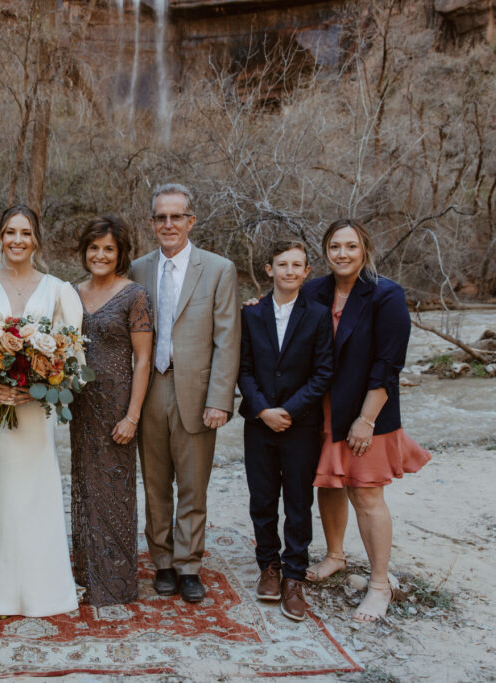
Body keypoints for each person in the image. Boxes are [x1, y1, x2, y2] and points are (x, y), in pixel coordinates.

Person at [300, 219, 431, 622]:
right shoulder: (313, 290)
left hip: (367, 411)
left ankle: (379, 585)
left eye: (350, 247)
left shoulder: (385, 295)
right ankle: (335, 556)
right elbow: (286, 319)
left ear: (364, 250)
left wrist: (366, 420)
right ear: (325, 251)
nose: (342, 254)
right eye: (335, 246)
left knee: (366, 494)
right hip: (321, 406)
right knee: (330, 482)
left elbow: (388, 364)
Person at [0, 205, 82, 617]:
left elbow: (73, 360)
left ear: (36, 240)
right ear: (1, 238)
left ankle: (43, 590)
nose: (17, 240)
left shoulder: (58, 290)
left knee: (34, 493)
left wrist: (38, 390)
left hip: (35, 409)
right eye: (10, 232)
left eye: (25, 233)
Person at [129, 183, 240, 603]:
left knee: (193, 484)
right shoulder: (137, 269)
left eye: (177, 216)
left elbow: (228, 338)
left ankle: (189, 564)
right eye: (161, 217)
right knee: (156, 482)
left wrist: (220, 399)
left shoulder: (218, 269)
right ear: (153, 222)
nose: (169, 224)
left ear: (191, 220)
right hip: (151, 386)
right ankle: (162, 561)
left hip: (196, 390)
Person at [237, 240, 333, 621]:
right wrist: (262, 409)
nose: (290, 271)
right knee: (262, 498)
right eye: (282, 264)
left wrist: (288, 411)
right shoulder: (251, 314)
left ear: (307, 272)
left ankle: (294, 574)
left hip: (300, 423)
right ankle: (269, 567)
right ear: (268, 269)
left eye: (297, 265)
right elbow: (242, 368)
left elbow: (323, 372)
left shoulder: (318, 315)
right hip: (258, 423)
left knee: (297, 501)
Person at [69, 215, 153, 606]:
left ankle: (116, 582)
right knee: (85, 488)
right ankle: (86, 572)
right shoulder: (72, 293)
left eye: (109, 249)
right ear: (84, 251)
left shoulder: (134, 295)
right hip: (81, 406)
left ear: (120, 254)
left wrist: (132, 415)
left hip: (118, 408)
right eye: (94, 248)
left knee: (115, 491)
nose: (100, 255)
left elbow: (142, 360)